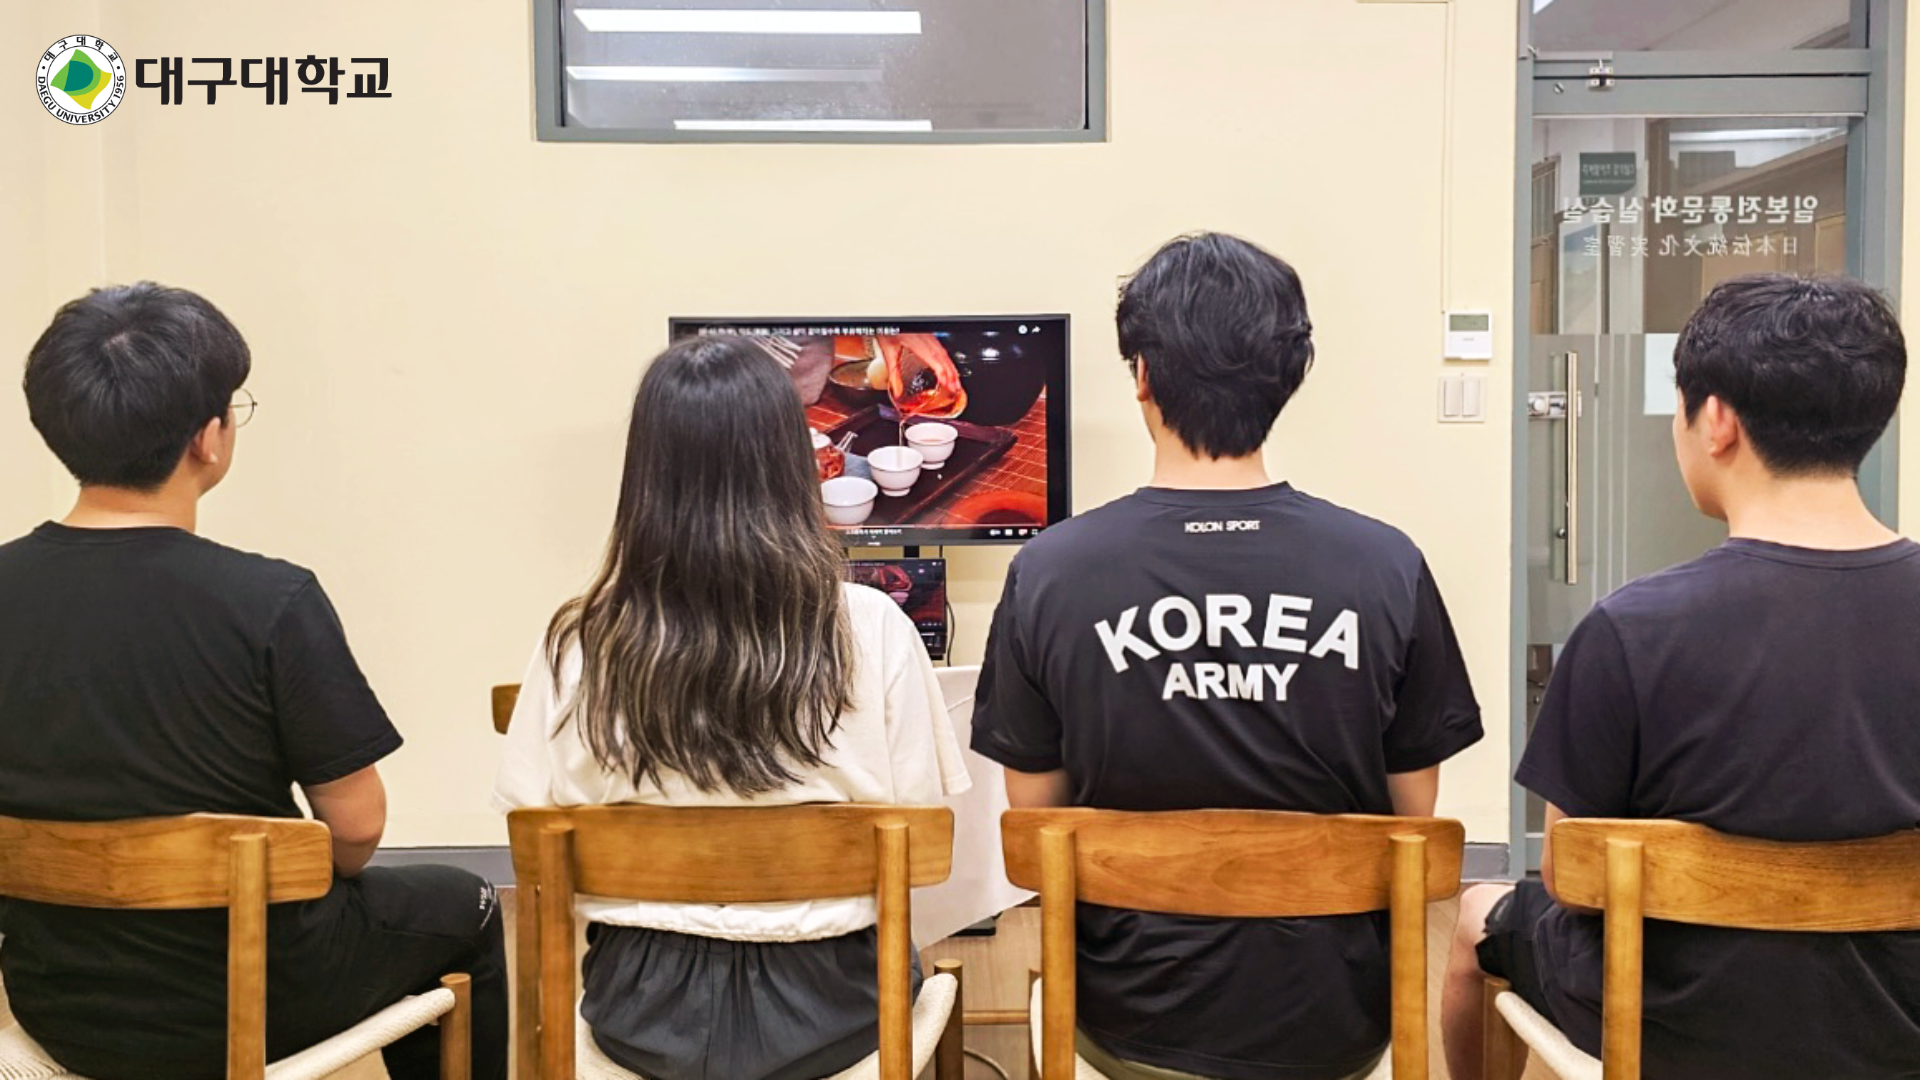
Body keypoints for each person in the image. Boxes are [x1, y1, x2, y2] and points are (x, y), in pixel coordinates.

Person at [970, 232, 1484, 1080]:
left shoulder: (1050, 572)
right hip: (1335, 1028)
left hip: (1124, 1023)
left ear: (1142, 374)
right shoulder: (1386, 565)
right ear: (1289, 375)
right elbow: (1410, 816)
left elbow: (1036, 818)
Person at [0, 283, 507, 1080]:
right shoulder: (271, 600)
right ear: (209, 438)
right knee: (464, 903)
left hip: (59, 1001)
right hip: (260, 996)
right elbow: (357, 829)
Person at [1442, 274, 1920, 1080]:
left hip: (1672, 1023)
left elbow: (1572, 877)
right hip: (1897, 1023)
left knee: (1474, 914)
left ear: (1718, 420)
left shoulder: (1630, 628)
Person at [493, 336, 970, 1080]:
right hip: (836, 1011)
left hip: (644, 1016)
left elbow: (532, 831)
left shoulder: (580, 638)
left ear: (646, 471)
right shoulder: (873, 627)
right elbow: (918, 833)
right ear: (789, 463)